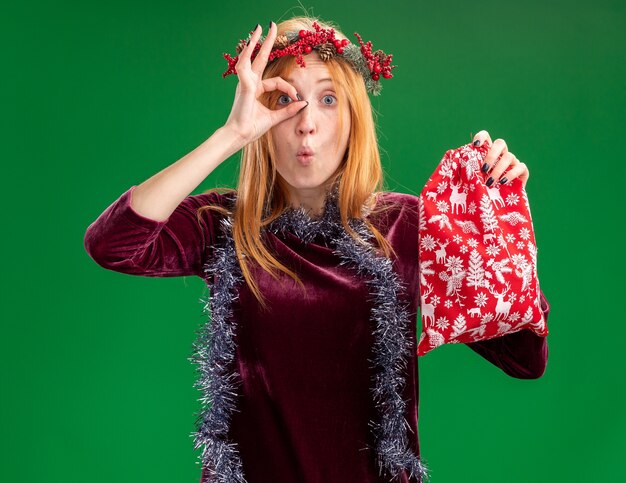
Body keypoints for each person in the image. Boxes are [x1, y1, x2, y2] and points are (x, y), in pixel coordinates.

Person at [83, 15, 550, 483]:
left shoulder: (407, 226)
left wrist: (501, 234)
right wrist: (231, 136)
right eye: (284, 100)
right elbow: (113, 243)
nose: (306, 123)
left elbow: (524, 357)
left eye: (328, 99)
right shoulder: (227, 226)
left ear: (353, 117)